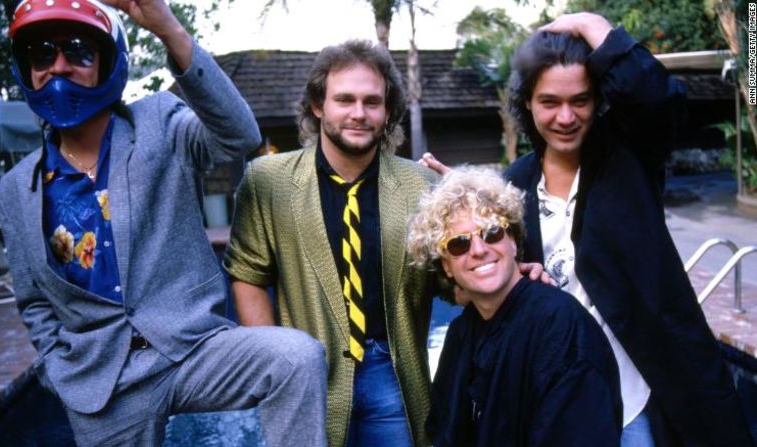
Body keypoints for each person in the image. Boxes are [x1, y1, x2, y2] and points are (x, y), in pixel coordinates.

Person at [0, 1, 327, 446]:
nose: (58, 67)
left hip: (191, 347)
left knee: (296, 358)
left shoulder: (158, 122)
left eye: (77, 51)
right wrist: (60, 369)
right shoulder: (17, 188)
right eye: (42, 54)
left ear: (106, 61)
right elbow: (33, 301)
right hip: (101, 383)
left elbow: (239, 135)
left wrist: (167, 28)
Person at [421, 12, 755, 447]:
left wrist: (590, 23)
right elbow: (477, 280)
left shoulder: (628, 159)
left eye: (580, 100)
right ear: (527, 103)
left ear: (598, 101)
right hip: (562, 393)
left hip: (641, 385)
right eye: (549, 102)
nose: (565, 117)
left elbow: (658, 100)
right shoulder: (515, 185)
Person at [223, 39, 440, 447]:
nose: (359, 113)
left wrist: (475, 216)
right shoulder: (267, 181)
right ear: (318, 106)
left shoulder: (421, 185)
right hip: (304, 373)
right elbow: (247, 273)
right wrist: (273, 362)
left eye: (372, 102)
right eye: (344, 99)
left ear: (388, 111)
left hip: (391, 372)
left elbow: (453, 280)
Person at [407, 166, 622, 446]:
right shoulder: (463, 333)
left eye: (492, 233)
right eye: (459, 244)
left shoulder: (560, 328)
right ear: (446, 266)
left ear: (513, 241)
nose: (479, 250)